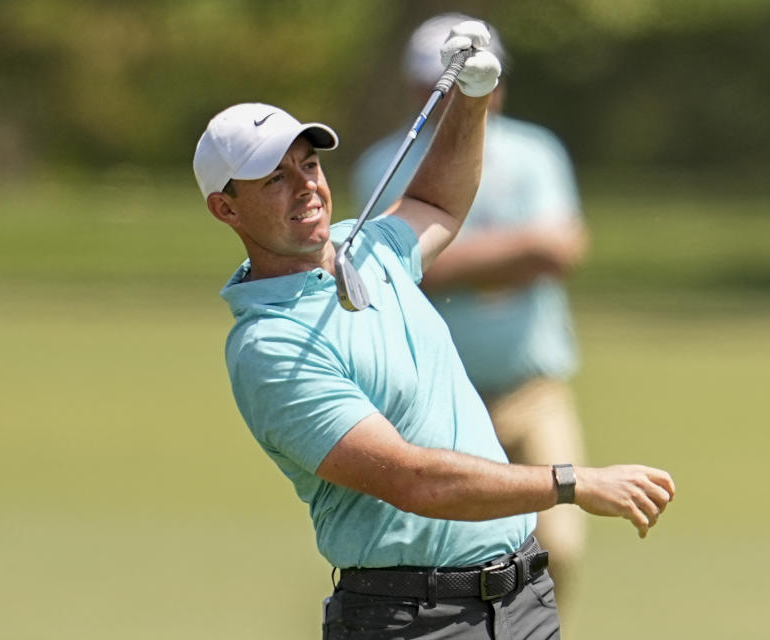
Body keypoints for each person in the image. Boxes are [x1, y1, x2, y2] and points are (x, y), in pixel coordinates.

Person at [194, 20, 675, 639]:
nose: (307, 187)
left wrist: (470, 98)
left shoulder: (364, 248)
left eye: (307, 164)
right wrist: (572, 483)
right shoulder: (270, 347)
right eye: (275, 179)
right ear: (225, 208)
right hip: (413, 620)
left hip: (521, 602)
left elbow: (440, 204)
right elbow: (414, 480)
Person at [352, 14, 589, 612]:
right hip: (427, 398)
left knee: (558, 543)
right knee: (439, 556)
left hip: (528, 388)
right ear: (414, 90)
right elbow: (385, 276)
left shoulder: (536, 151)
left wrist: (440, 255)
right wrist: (510, 256)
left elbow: (558, 250)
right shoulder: (382, 164)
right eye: (438, 85)